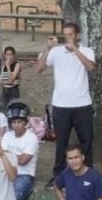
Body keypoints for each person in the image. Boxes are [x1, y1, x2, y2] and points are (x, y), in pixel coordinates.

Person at [37, 23, 95, 166]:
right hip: (61, 105)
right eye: (65, 35)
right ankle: (59, 173)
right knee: (61, 142)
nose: (68, 37)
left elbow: (90, 67)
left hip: (82, 104)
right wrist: (48, 49)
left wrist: (75, 50)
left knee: (86, 141)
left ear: (77, 35)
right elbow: (39, 69)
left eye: (71, 34)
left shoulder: (87, 51)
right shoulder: (56, 51)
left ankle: (87, 171)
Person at [1, 102, 41, 200]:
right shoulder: (7, 135)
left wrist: (6, 154)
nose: (16, 125)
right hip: (6, 172)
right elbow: (0, 157)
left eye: (19, 122)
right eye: (14, 122)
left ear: (25, 122)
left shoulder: (31, 138)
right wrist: (12, 156)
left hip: (24, 175)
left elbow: (23, 161)